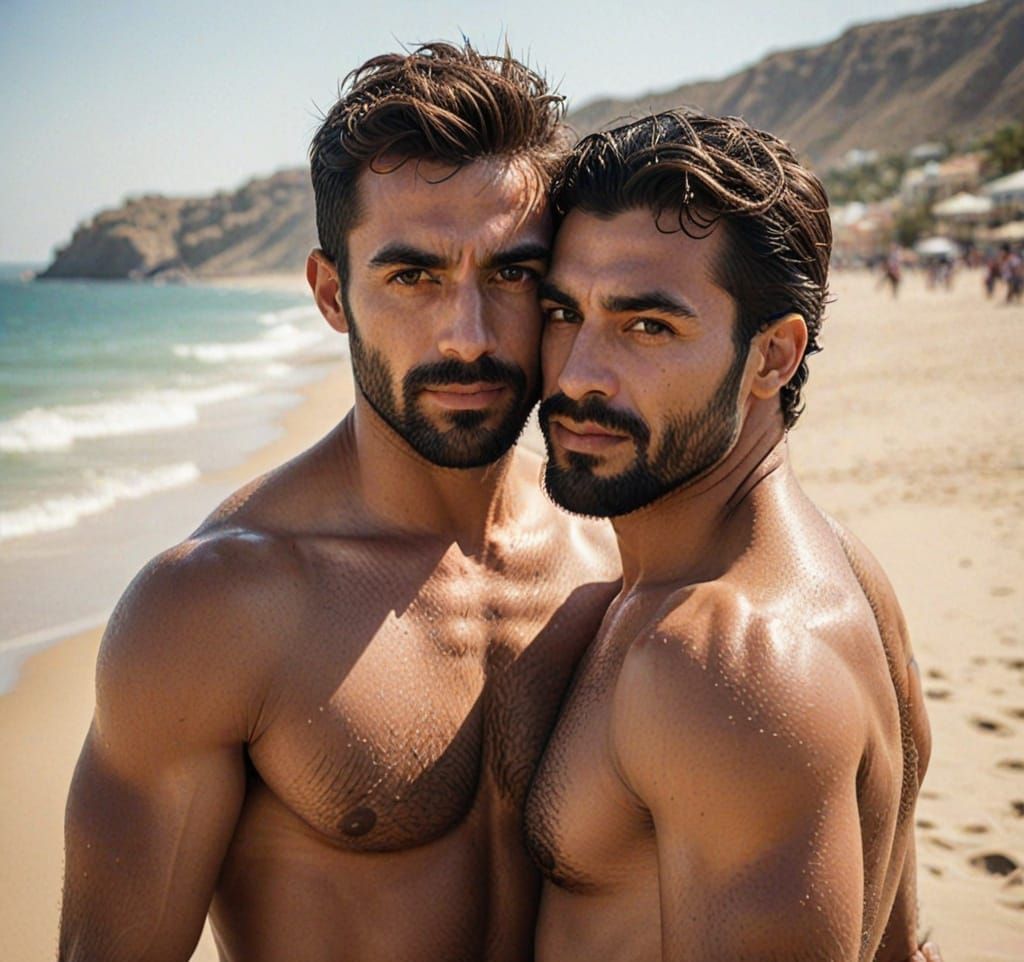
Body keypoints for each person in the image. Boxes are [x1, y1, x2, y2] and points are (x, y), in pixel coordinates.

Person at [58, 43, 619, 962]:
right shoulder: (212, 610)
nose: (468, 336)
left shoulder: (610, 558)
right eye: (414, 276)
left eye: (510, 275)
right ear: (332, 294)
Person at [525, 110, 935, 961]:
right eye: (564, 313)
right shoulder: (846, 570)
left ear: (773, 358)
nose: (577, 375)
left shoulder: (723, 661)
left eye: (648, 326)